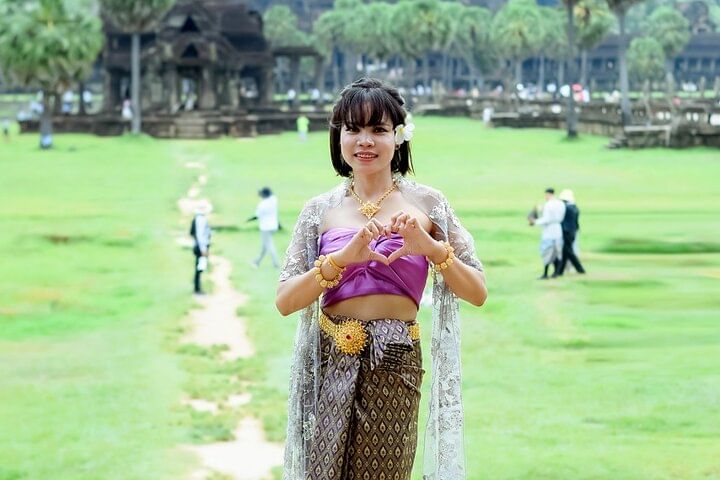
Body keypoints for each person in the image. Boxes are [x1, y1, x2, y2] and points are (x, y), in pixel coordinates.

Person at [276, 78, 487, 480]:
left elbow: (477, 292)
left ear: (399, 137)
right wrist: (341, 259)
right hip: (330, 356)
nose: (364, 141)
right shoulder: (319, 210)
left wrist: (432, 249)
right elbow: (285, 300)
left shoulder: (427, 204)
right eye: (353, 129)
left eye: (378, 130)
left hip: (395, 359)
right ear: (338, 136)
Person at [530, 187, 566, 279]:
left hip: (549, 231)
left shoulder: (548, 205)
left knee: (547, 251)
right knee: (557, 251)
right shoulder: (561, 203)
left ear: (548, 194)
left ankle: (546, 273)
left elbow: (546, 219)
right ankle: (556, 272)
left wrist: (535, 222)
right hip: (558, 229)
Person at [557, 189, 586, 275]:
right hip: (572, 232)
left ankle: (580, 269)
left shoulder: (566, 208)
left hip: (567, 232)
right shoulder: (575, 207)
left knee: (568, 251)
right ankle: (560, 271)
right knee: (565, 252)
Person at [251, 187, 280, 268]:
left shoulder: (262, 204)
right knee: (264, 246)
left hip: (265, 228)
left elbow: (256, 216)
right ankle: (257, 261)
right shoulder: (274, 200)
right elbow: (271, 194)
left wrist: (249, 220)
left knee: (269, 245)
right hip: (274, 226)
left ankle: (276, 263)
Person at [189, 201, 212, 294]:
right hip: (200, 246)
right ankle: (197, 288)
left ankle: (197, 287)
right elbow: (200, 235)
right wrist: (203, 249)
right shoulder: (201, 219)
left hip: (198, 246)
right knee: (200, 267)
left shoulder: (198, 218)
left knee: (200, 267)